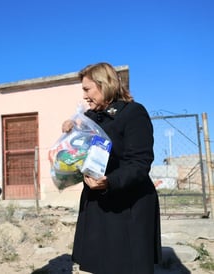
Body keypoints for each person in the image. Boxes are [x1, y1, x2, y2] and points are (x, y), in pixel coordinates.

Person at [62, 62, 162, 274]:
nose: (85, 96)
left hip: (127, 204)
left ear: (104, 84)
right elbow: (81, 156)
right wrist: (71, 134)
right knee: (100, 265)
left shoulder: (133, 113)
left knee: (126, 265)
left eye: (87, 89)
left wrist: (110, 181)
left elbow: (140, 163)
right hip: (98, 204)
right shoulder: (88, 118)